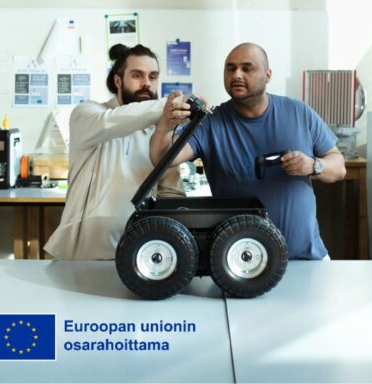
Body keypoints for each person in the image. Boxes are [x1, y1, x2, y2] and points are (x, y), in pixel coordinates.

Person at [150, 42, 346, 260]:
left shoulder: (299, 112)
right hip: (241, 265)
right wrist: (166, 123)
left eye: (247, 68)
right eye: (230, 68)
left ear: (268, 74)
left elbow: (338, 167)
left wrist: (313, 165)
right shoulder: (210, 123)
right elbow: (162, 158)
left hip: (306, 257)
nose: (237, 75)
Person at [45, 44, 184, 260]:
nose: (146, 83)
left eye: (153, 76)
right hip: (83, 253)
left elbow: (171, 192)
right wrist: (169, 106)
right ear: (118, 81)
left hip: (139, 253)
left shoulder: (160, 131)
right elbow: (111, 121)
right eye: (137, 75)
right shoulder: (88, 114)